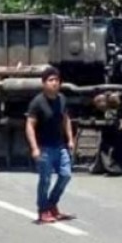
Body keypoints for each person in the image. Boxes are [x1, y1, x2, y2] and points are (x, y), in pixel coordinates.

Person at [26, 66, 76, 224]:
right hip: (44, 148)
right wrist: (34, 148)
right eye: (50, 80)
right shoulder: (38, 102)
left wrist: (70, 139)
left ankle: (52, 204)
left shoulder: (61, 99)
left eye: (57, 80)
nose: (54, 83)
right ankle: (43, 210)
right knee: (45, 180)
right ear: (44, 83)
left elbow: (65, 119)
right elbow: (29, 125)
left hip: (60, 145)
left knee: (66, 175)